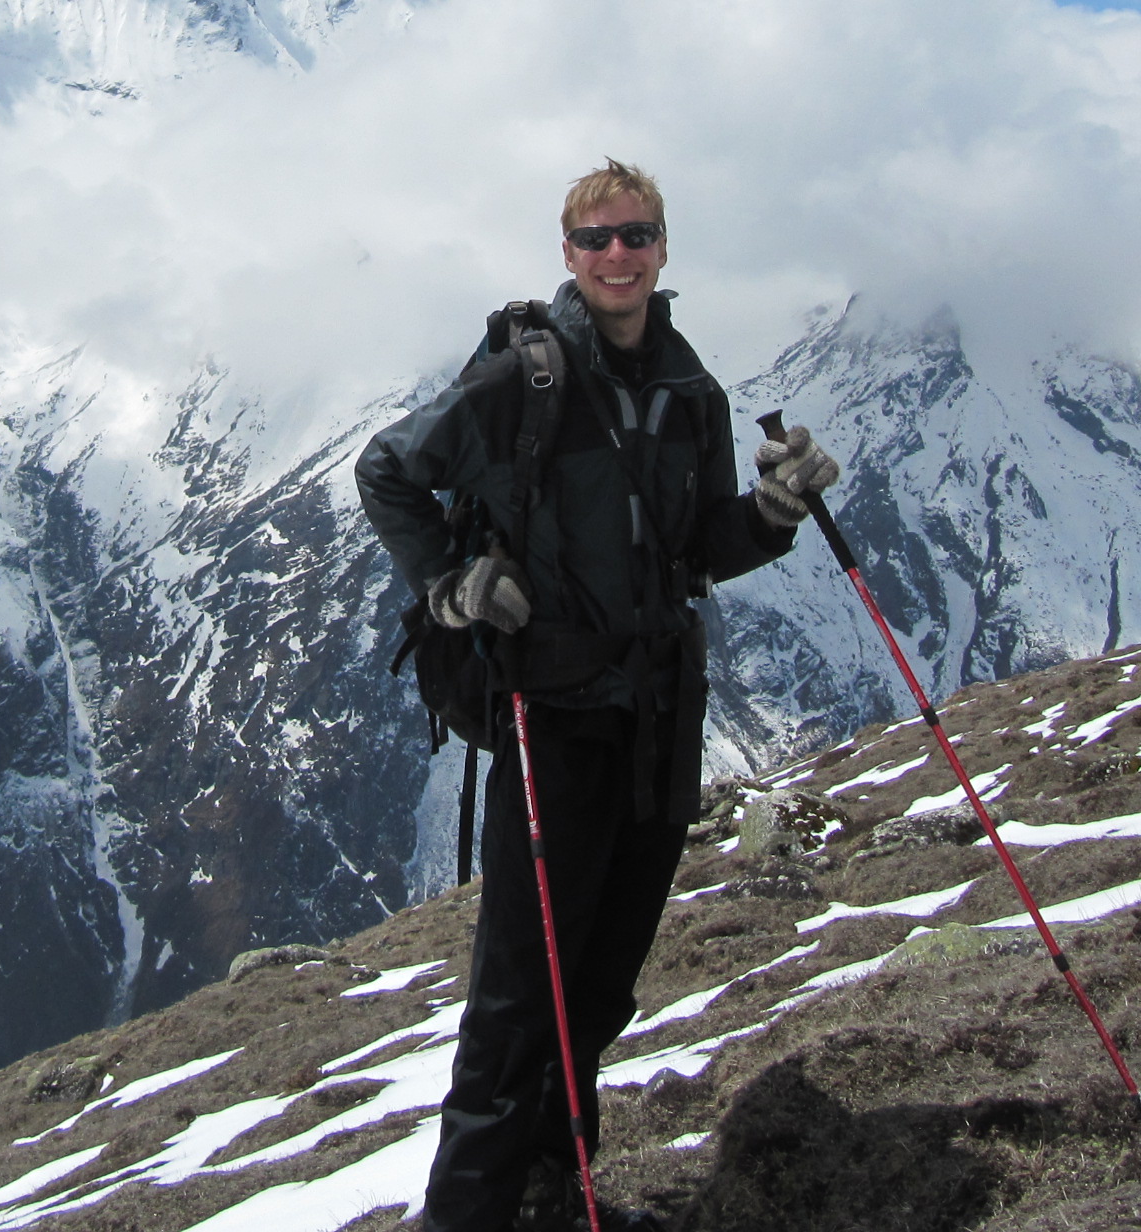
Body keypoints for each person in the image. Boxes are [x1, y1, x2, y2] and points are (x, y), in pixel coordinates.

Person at [355, 159, 841, 1232]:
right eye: (596, 239)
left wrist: (771, 514)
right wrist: (450, 582)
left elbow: (693, 548)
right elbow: (385, 470)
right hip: (555, 719)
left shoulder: (690, 390)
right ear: (568, 254)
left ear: (663, 249)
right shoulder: (521, 382)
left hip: (660, 719)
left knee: (603, 983)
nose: (618, 255)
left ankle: (550, 1189)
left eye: (636, 236)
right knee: (517, 1001)